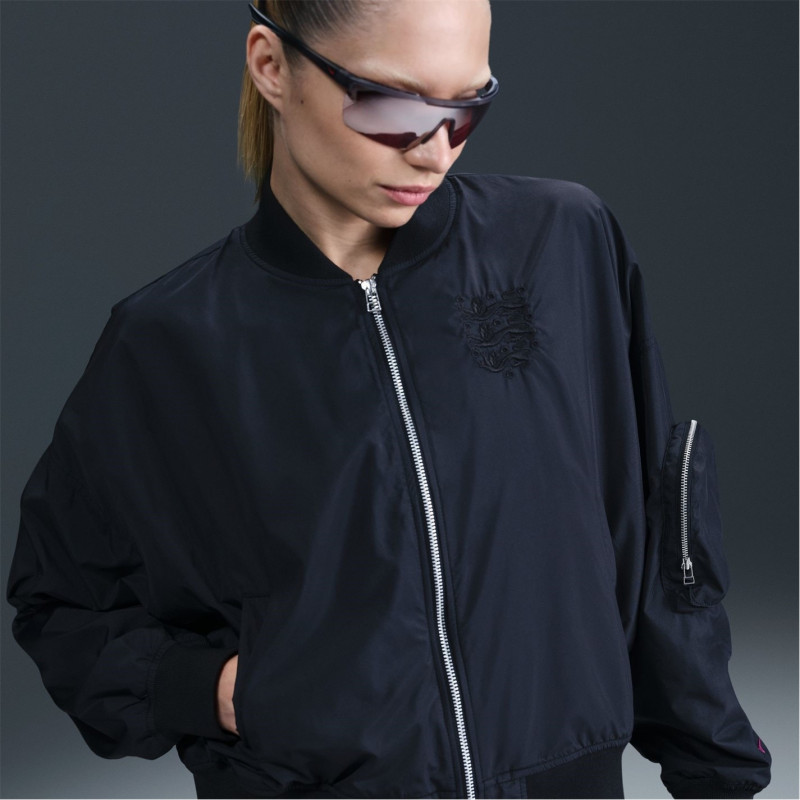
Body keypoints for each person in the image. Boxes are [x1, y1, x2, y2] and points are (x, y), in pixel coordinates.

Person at [5, 1, 773, 798]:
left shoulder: (561, 242)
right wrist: (220, 692)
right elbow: (61, 601)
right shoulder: (170, 342)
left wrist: (716, 768)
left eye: (466, 109)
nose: (434, 150)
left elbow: (653, 530)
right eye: (393, 106)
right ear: (271, 66)